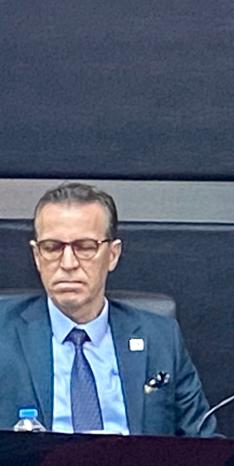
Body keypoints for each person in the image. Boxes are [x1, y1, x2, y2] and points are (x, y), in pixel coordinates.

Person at [0, 182, 215, 436]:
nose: (68, 263)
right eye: (52, 248)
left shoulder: (160, 338)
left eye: (85, 247)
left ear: (112, 255)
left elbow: (204, 443)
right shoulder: (5, 331)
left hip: (136, 463)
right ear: (37, 256)